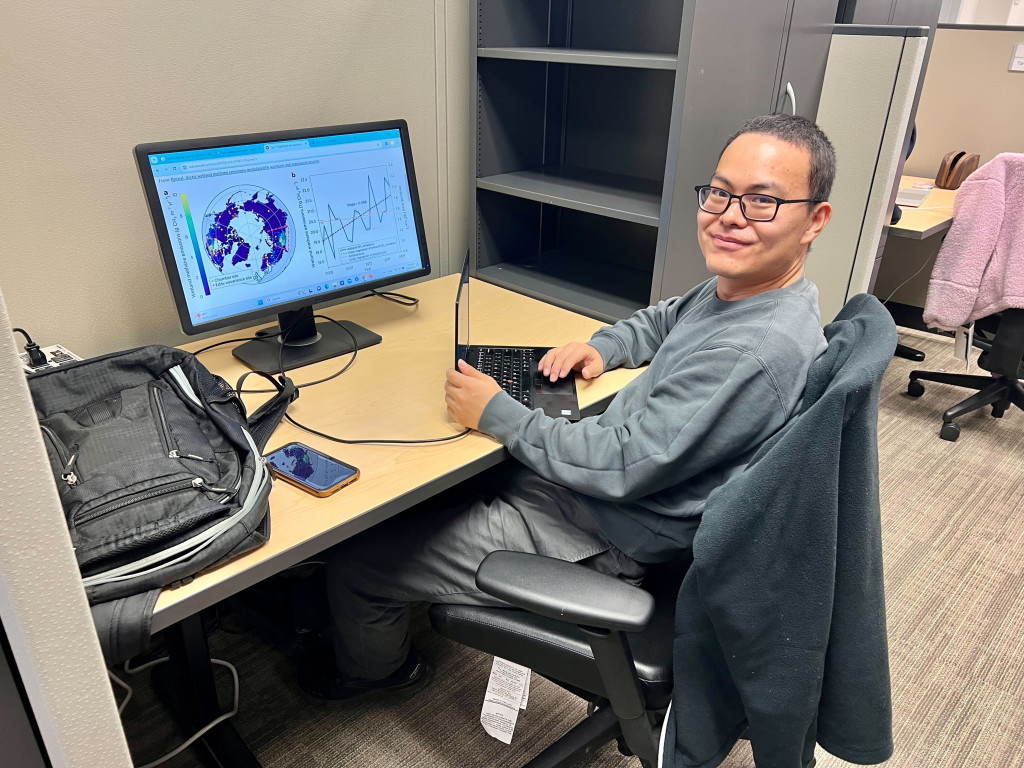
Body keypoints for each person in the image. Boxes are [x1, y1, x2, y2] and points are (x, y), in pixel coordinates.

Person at [299, 113, 835, 702]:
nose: (730, 216)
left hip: (601, 531)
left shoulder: (752, 351)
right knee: (434, 480)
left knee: (356, 568)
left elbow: (623, 465)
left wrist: (498, 413)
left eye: (763, 201)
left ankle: (377, 675)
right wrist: (602, 347)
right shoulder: (752, 290)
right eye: (720, 193)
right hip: (597, 490)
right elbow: (664, 319)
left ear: (815, 221)